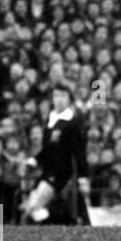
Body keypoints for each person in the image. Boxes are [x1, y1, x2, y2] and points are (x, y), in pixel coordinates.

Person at [21, 85, 91, 224]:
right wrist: (35, 160)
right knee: (29, 207)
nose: (59, 100)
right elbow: (48, 148)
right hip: (47, 171)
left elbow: (79, 151)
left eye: (63, 96)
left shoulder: (72, 122)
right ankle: (58, 223)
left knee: (33, 207)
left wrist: (83, 176)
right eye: (56, 96)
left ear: (69, 99)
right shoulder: (51, 120)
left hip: (60, 173)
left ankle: (56, 223)